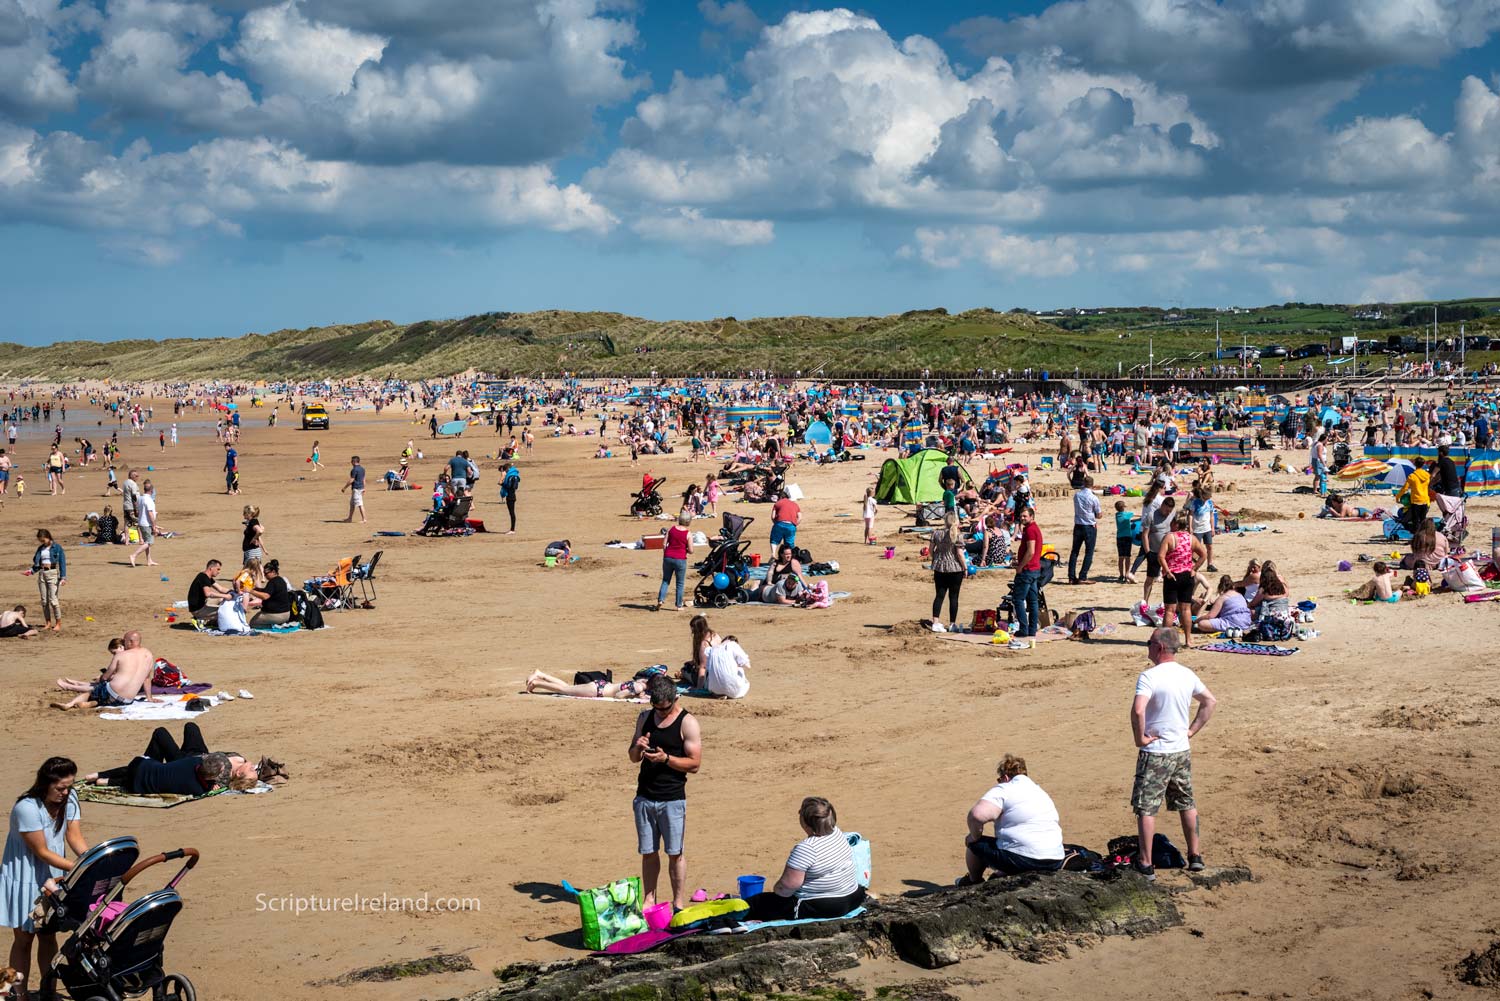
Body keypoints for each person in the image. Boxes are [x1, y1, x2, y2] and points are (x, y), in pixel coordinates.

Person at [1130, 627, 1216, 880]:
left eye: (1149, 643)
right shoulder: (1186, 675)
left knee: (1146, 808)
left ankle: (1145, 863)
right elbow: (1209, 702)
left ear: (1159, 648)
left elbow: (1138, 711)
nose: (1147, 647)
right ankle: (1195, 855)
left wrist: (1140, 738)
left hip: (1157, 751)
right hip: (1180, 750)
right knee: (1186, 802)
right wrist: (1190, 732)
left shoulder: (1149, 676)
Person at [2, 757, 86, 999]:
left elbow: (74, 836)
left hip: (53, 878)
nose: (65, 792)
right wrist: (77, 868)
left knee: (48, 937)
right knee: (24, 939)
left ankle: (48, 991)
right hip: (24, 878)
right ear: (45, 784)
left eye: (68, 786)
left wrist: (91, 859)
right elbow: (42, 852)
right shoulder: (26, 808)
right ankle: (20, 994)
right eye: (60, 788)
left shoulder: (70, 800)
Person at [627, 676, 702, 911]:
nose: (659, 712)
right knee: (648, 852)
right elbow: (632, 757)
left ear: (675, 699)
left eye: (665, 708)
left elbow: (695, 764)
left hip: (672, 798)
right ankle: (650, 899)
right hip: (645, 797)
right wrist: (638, 747)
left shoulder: (687, 722)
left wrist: (666, 759)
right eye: (655, 708)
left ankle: (678, 901)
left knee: (675, 853)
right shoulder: (644, 718)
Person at [744, 797, 866, 920]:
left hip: (828, 905)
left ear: (805, 822)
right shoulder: (837, 833)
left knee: (756, 903)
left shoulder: (807, 848)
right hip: (853, 897)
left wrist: (776, 891)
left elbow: (787, 888)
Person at [957, 753, 1065, 884]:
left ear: (1005, 777)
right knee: (1012, 845)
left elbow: (976, 816)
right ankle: (1003, 874)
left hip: (1024, 859)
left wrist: (974, 837)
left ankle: (973, 881)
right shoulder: (1041, 792)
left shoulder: (1006, 788)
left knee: (974, 843)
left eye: (999, 779)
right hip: (1055, 859)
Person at [52, 630, 157, 710]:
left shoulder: (122, 655)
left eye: (124, 641)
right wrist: (149, 698)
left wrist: (101, 679)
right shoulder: (148, 655)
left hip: (112, 693)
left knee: (92, 691)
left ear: (130, 642)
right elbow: (147, 679)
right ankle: (89, 704)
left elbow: (106, 676)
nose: (124, 643)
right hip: (127, 701)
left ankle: (68, 704)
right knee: (102, 697)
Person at [1157, 512, 1207, 648]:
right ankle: (1188, 639)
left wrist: (1167, 571)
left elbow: (1161, 556)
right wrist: (1194, 568)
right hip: (1186, 575)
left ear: (1176, 523)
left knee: (1169, 610)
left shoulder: (1170, 537)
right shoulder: (1192, 538)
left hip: (1172, 575)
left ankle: (1165, 641)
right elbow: (1203, 555)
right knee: (1186, 609)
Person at [1010, 507, 1042, 649]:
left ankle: (1024, 629)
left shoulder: (1030, 530)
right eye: (1021, 516)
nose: (1022, 518)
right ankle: (1032, 629)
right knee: (1033, 601)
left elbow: (1031, 551)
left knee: (1018, 599)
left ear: (1031, 516)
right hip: (1034, 569)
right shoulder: (1032, 528)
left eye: (1025, 516)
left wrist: (1020, 566)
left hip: (1028, 570)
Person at [928, 510, 966, 633]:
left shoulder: (936, 533)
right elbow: (960, 554)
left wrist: (936, 557)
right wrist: (965, 567)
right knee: (954, 597)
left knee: (939, 595)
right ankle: (952, 623)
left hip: (940, 567)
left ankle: (935, 622)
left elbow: (930, 550)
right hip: (955, 568)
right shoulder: (958, 535)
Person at [655, 512, 695, 612]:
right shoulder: (688, 533)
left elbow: (664, 544)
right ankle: (679, 605)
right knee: (680, 583)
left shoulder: (671, 529)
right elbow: (691, 550)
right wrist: (684, 549)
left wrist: (666, 554)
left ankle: (660, 599)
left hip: (668, 557)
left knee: (665, 580)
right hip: (680, 559)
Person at [29, 530, 65, 633]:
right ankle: (48, 622)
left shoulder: (57, 547)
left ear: (48, 537)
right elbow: (37, 563)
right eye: (40, 541)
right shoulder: (40, 549)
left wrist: (63, 577)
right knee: (44, 601)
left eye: (43, 540)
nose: (42, 542)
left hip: (52, 573)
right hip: (42, 574)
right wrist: (31, 571)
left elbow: (62, 562)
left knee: (53, 600)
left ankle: (58, 623)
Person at [1068, 475, 1101, 585]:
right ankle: (1082, 576)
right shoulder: (1093, 497)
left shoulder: (1077, 495)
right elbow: (1098, 514)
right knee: (1089, 552)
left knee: (1074, 551)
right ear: (1092, 485)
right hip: (1089, 526)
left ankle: (1071, 577)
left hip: (1078, 525)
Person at [249, 560, 293, 627]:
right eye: (264, 573)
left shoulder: (272, 582)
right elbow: (271, 591)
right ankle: (277, 623)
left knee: (253, 623)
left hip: (278, 615)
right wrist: (258, 590)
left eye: (266, 573)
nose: (265, 575)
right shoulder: (280, 580)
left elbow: (265, 596)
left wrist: (250, 591)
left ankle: (273, 626)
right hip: (286, 614)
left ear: (273, 572)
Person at [129, 479, 159, 567]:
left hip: (141, 522)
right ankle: (133, 555)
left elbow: (138, 511)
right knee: (149, 542)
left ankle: (149, 560)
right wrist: (154, 526)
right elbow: (150, 513)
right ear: (151, 491)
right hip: (146, 523)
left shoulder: (140, 498)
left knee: (147, 542)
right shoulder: (148, 500)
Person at [1188, 482, 1217, 573]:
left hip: (1207, 528)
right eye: (1206, 498)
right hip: (1197, 529)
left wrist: (1213, 528)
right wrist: (1190, 527)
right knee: (1195, 549)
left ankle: (1210, 564)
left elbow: (1211, 515)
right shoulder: (1195, 502)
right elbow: (1190, 515)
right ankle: (1191, 565)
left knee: (1210, 547)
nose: (1206, 500)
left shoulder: (1209, 503)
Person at [1396, 460, 1431, 530]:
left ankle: (1416, 536)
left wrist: (1398, 497)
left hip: (1416, 501)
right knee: (1423, 520)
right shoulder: (1427, 476)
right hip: (1426, 501)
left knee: (1415, 521)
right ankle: (1423, 535)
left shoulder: (1412, 476)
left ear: (1415, 464)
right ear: (1423, 465)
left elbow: (1404, 488)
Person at [1114, 499, 1138, 584]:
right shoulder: (1126, 514)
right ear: (1123, 507)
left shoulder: (1117, 515)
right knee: (1127, 557)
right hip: (1127, 537)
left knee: (1121, 557)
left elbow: (1128, 520)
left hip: (1119, 537)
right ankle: (1127, 573)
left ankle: (1121, 575)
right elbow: (1135, 514)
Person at [342, 456, 366, 523]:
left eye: (351, 461)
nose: (351, 462)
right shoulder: (362, 469)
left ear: (354, 462)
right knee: (352, 504)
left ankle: (364, 519)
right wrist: (364, 488)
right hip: (359, 488)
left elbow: (352, 480)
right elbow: (364, 479)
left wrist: (344, 488)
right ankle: (349, 518)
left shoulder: (354, 470)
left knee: (360, 504)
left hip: (357, 489)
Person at [499, 462, 520, 534]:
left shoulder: (511, 476)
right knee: (511, 513)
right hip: (512, 495)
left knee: (512, 513)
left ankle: (512, 530)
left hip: (510, 496)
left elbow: (510, 487)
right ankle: (512, 529)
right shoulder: (514, 475)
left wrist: (502, 482)